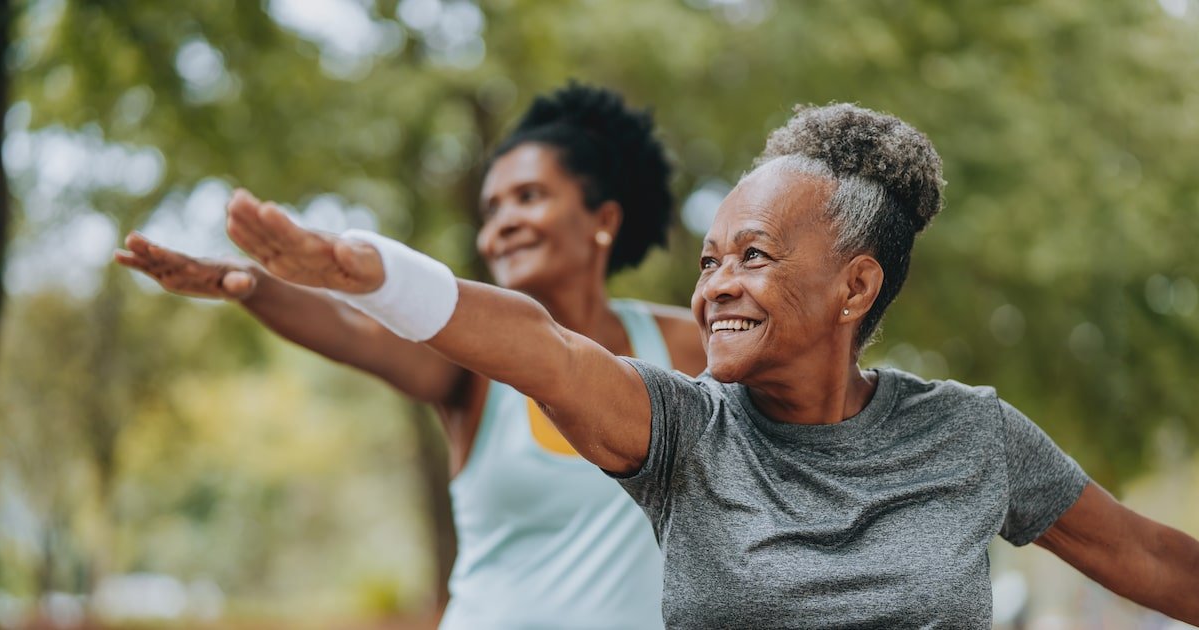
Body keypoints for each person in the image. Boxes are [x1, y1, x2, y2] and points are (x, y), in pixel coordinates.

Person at [212, 101, 1199, 628]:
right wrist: (376, 276)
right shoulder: (678, 431)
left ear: (856, 289)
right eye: (710, 260)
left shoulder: (971, 435)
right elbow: (540, 346)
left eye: (755, 258)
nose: (717, 285)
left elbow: (1151, 560)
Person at [115, 83, 706, 629]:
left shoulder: (682, 347)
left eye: (528, 197)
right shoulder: (471, 370)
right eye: (491, 209)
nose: (501, 226)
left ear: (602, 219)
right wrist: (253, 284)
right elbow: (354, 331)